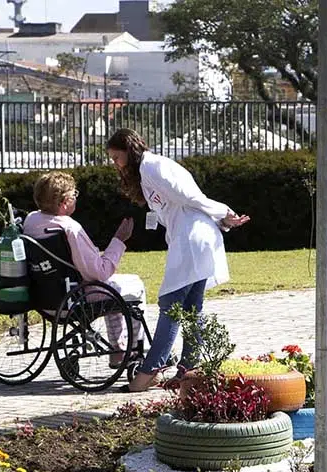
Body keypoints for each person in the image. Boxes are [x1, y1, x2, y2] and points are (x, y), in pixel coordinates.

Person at [104, 129, 251, 392]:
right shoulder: (148, 169)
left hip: (193, 238)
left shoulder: (152, 166)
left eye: (116, 157)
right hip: (192, 237)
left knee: (171, 303)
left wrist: (224, 212)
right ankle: (188, 369)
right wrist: (221, 216)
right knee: (192, 307)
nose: (115, 164)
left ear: (128, 150)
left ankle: (151, 369)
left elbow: (189, 198)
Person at [22, 171, 144, 368]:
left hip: (46, 299)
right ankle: (128, 349)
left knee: (114, 288)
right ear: (64, 202)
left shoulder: (31, 221)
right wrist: (119, 240)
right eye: (73, 195)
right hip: (76, 297)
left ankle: (119, 348)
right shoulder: (70, 228)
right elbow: (100, 272)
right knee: (133, 286)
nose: (75, 198)